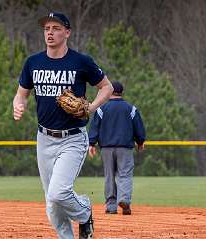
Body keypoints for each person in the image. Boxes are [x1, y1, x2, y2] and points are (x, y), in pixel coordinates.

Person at [13, 12, 113, 239]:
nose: (50, 32)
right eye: (47, 28)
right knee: (52, 204)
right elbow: (21, 94)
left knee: (58, 193)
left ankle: (85, 211)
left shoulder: (81, 62)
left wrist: (91, 107)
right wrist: (18, 105)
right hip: (44, 139)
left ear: (67, 33)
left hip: (72, 138)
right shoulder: (33, 62)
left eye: (56, 28)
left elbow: (106, 87)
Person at [88, 81, 146, 215]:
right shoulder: (131, 108)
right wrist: (140, 141)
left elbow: (95, 126)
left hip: (106, 148)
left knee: (109, 176)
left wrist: (92, 143)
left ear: (110, 92)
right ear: (122, 92)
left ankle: (111, 206)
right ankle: (124, 200)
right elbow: (138, 127)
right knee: (124, 174)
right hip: (125, 148)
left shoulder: (102, 109)